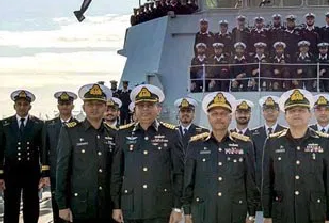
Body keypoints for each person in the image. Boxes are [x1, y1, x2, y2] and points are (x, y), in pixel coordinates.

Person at [111, 84, 185, 223]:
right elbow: (116, 173)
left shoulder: (171, 133)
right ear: (135, 109)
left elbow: (179, 173)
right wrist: (116, 206)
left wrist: (177, 207)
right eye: (140, 106)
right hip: (130, 207)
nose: (145, 109)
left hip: (161, 208)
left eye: (150, 105)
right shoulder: (122, 133)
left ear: (158, 109)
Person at [262, 89, 329, 223]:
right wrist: (267, 215)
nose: (296, 114)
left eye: (301, 110)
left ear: (310, 114)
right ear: (285, 116)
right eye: (291, 111)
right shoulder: (272, 142)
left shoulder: (324, 142)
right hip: (283, 212)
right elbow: (267, 182)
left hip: (314, 212)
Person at [182, 92, 258, 223]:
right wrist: (187, 212)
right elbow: (189, 181)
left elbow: (250, 182)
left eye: (223, 114)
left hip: (234, 213)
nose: (219, 118)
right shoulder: (195, 145)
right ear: (208, 118)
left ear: (230, 117)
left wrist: (251, 214)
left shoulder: (245, 144)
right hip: (203, 212)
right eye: (214, 114)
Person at [55, 83, 116, 223]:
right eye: (90, 104)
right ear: (84, 107)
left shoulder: (114, 134)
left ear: (105, 108)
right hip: (80, 204)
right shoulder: (70, 131)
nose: (94, 108)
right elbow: (62, 169)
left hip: (107, 205)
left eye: (99, 104)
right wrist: (62, 205)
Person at [0, 90, 47, 223]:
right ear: (14, 106)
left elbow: (43, 149)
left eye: (25, 104)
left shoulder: (38, 124)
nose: (22, 107)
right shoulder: (5, 124)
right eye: (19, 104)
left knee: (32, 206)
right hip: (11, 172)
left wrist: (43, 174)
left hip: (31, 172)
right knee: (11, 207)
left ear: (30, 107)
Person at [43, 91, 77, 223]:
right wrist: (45, 174)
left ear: (72, 106)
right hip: (55, 173)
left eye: (67, 104)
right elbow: (45, 150)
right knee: (57, 205)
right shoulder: (49, 126)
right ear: (58, 106)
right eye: (62, 104)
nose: (65, 107)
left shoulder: (79, 126)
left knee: (74, 205)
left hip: (74, 173)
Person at [251, 95, 286, 189]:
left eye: (273, 110)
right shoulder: (253, 134)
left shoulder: (287, 133)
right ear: (263, 112)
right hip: (259, 182)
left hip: (282, 181)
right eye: (267, 110)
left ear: (278, 112)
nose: (270, 112)